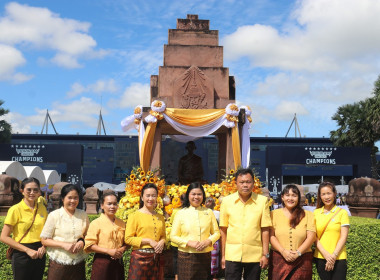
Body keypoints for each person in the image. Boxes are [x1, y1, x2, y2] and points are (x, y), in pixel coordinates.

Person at [219, 168, 272, 280]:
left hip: (254, 254)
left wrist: (265, 254)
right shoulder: (227, 202)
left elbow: (265, 229)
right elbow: (223, 230)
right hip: (232, 254)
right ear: (236, 184)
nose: (245, 185)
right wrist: (223, 255)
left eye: (248, 182)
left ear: (253, 183)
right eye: (242, 182)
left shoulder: (262, 201)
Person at [170, 182, 220, 280]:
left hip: (204, 255)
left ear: (203, 196)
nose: (196, 197)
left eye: (199, 194)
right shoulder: (180, 213)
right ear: (188, 195)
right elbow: (173, 236)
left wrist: (208, 241)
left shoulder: (208, 212)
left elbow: (217, 233)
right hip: (186, 256)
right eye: (193, 194)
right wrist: (188, 243)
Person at [0, 177, 47, 280]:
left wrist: (44, 247)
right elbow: (3, 237)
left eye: (35, 190)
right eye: (28, 189)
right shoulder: (15, 209)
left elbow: (47, 232)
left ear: (39, 192)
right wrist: (27, 250)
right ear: (22, 191)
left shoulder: (42, 208)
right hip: (21, 252)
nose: (32, 192)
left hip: (39, 252)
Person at [40, 184, 89, 280]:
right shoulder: (54, 215)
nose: (73, 201)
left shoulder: (83, 215)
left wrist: (81, 242)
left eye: (76, 198)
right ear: (63, 198)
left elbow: (88, 235)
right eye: (69, 198)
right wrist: (63, 245)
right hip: (59, 263)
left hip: (78, 262)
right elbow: (44, 240)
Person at [268, 184, 316, 280]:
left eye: (294, 195)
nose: (290, 198)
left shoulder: (308, 215)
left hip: (302, 260)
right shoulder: (274, 214)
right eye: (287, 195)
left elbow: (311, 237)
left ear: (298, 198)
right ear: (282, 197)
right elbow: (271, 236)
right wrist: (283, 251)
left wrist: (298, 253)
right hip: (279, 260)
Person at [125, 183, 166, 280]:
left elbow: (164, 236)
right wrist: (148, 241)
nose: (150, 199)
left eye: (153, 195)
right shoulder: (134, 216)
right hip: (139, 258)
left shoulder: (160, 217)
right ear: (142, 197)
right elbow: (128, 239)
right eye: (148, 196)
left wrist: (162, 241)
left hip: (156, 258)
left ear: (157, 197)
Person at [84, 191, 127, 280]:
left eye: (115, 204)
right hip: (102, 262)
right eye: (109, 204)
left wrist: (122, 249)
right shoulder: (96, 223)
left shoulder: (122, 223)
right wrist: (108, 251)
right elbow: (89, 245)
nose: (112, 207)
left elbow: (127, 241)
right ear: (102, 205)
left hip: (118, 261)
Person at [314, 182, 350, 280]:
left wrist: (333, 256)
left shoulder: (342, 213)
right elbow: (314, 237)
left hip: (339, 257)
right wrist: (326, 254)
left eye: (329, 193)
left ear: (334, 194)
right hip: (321, 257)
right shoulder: (316, 213)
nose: (326, 197)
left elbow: (344, 237)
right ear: (320, 196)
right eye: (323, 194)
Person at [205, 197, 220, 280]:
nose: (209, 203)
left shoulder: (218, 213)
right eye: (207, 201)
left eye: (211, 202)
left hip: (215, 239)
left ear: (214, 204)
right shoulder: (203, 212)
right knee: (206, 257)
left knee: (215, 257)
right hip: (205, 238)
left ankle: (214, 276)